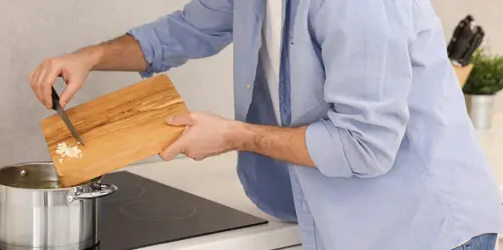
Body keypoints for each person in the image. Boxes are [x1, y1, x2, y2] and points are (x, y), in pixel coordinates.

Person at [28, 1, 503, 249]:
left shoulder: (357, 3)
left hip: (423, 233)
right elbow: (186, 29)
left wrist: (234, 135)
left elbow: (364, 146)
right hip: (347, 224)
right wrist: (90, 57)